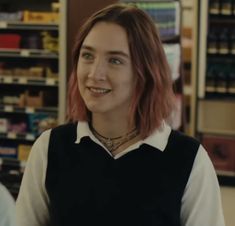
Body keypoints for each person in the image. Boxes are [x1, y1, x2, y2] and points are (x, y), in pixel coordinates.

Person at [16, 3, 225, 226]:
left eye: (115, 60)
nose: (95, 74)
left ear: (145, 73)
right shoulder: (49, 149)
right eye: (87, 55)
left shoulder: (189, 160)